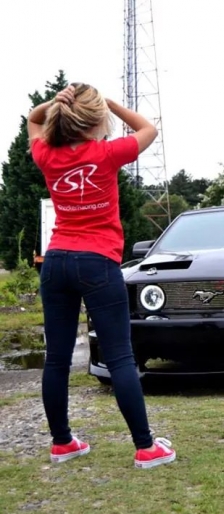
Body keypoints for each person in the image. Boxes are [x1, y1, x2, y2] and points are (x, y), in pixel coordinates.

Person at [28, 82, 176, 469]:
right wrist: (110, 101)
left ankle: (63, 443)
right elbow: (148, 128)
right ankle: (146, 448)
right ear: (97, 122)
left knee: (56, 360)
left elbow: (33, 118)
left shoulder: (47, 155)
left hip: (56, 261)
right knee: (120, 357)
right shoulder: (107, 153)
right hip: (97, 262)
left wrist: (57, 103)